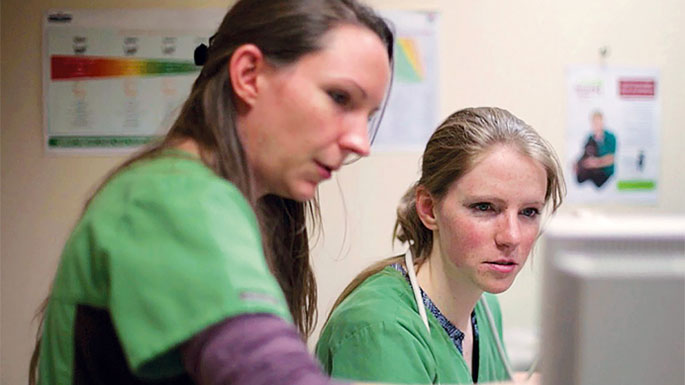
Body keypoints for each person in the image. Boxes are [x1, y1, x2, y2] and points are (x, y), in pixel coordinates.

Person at [29, 1, 394, 384]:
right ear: (249, 75)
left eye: (367, 117)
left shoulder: (207, 199)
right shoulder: (171, 198)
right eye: (339, 97)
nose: (360, 142)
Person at [316, 107, 565, 384]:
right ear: (429, 209)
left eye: (529, 212)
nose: (511, 237)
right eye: (484, 207)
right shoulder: (380, 329)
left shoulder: (483, 307)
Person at [575, 110, 616, 188]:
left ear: (602, 122)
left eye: (598, 122)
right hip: (593, 172)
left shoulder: (610, 137)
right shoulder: (590, 138)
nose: (596, 125)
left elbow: (611, 159)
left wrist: (596, 163)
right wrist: (577, 164)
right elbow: (584, 153)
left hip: (605, 173)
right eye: (594, 123)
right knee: (579, 177)